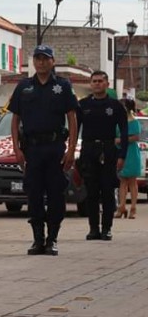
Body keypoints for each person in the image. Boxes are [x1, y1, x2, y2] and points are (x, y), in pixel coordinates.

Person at [9, 45, 78, 256]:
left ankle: (52, 238)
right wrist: (16, 148)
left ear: (52, 61)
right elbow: (15, 119)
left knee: (56, 194)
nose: (41, 62)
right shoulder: (24, 87)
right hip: (32, 149)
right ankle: (37, 239)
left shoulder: (63, 86)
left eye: (45, 58)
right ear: (33, 62)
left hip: (55, 147)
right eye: (37, 58)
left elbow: (72, 118)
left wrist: (71, 149)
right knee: (34, 194)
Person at [77, 71, 129, 241]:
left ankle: (106, 228)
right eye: (94, 81)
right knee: (91, 192)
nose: (97, 84)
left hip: (108, 150)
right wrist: (72, 150)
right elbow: (75, 129)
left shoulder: (115, 106)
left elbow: (124, 132)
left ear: (107, 84)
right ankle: (93, 228)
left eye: (100, 81)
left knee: (107, 191)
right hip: (89, 149)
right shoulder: (83, 105)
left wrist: (122, 155)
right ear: (90, 84)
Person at [116, 97, 142, 220]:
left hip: (131, 152)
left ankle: (133, 207)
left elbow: (136, 137)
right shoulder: (118, 121)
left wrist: (121, 140)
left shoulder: (133, 121)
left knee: (132, 180)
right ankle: (121, 206)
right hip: (120, 152)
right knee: (122, 180)